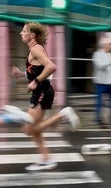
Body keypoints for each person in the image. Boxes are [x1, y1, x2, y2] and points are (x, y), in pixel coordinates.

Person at [11, 22, 80, 171]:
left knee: (29, 130)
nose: (21, 33)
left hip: (42, 91)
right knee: (34, 130)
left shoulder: (36, 49)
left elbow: (51, 67)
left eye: (24, 31)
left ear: (32, 35)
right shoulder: (33, 50)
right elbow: (37, 70)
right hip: (40, 91)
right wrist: (21, 75)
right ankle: (46, 159)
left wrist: (35, 82)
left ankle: (63, 115)